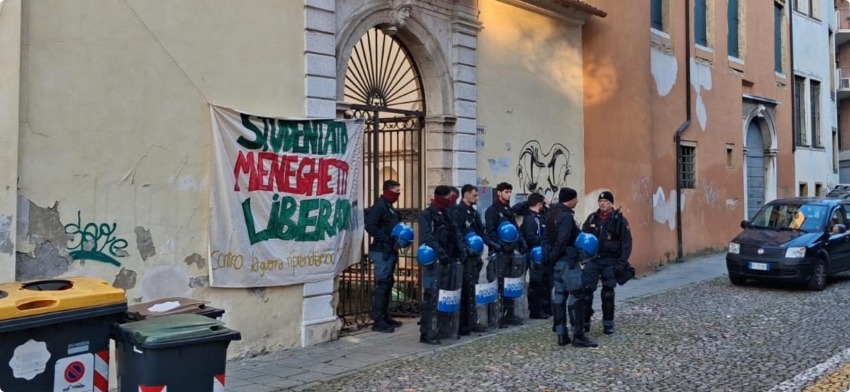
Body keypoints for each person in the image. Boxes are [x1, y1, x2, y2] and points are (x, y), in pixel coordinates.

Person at [548, 187, 597, 347]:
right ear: (570, 200)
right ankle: (578, 335)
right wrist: (557, 255)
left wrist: (548, 259)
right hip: (567, 262)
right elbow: (563, 240)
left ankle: (561, 335)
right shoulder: (567, 216)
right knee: (577, 295)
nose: (577, 201)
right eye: (575, 199)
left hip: (556, 263)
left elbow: (545, 238)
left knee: (559, 296)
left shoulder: (551, 214)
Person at [418, 185, 468, 344]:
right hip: (435, 261)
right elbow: (427, 237)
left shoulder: (447, 214)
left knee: (446, 296)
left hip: (450, 260)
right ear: (441, 197)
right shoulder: (427, 215)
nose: (450, 201)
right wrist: (441, 253)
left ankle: (443, 328)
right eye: (448, 198)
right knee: (431, 297)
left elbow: (456, 232)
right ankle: (427, 333)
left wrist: (462, 248)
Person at [449, 184, 499, 335]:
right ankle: (462, 324)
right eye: (475, 195)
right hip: (464, 257)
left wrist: (491, 244)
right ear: (466, 195)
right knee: (464, 290)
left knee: (472, 290)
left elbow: (481, 232)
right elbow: (456, 233)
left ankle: (472, 321)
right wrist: (465, 249)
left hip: (475, 257)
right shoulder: (457, 212)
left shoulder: (474, 213)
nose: (477, 198)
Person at [581, 191, 632, 335]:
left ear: (611, 203)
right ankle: (585, 323)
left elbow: (627, 243)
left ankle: (608, 323)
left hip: (610, 261)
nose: (602, 203)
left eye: (605, 201)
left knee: (608, 294)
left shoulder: (620, 220)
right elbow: (582, 237)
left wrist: (622, 263)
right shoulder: (592, 218)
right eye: (600, 201)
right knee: (585, 292)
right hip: (593, 260)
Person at [485, 182, 528, 327]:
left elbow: (515, 228)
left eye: (510, 192)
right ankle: (497, 316)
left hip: (511, 253)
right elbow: (490, 231)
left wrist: (521, 242)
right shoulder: (492, 210)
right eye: (506, 192)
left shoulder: (508, 209)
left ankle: (509, 314)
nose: (509, 195)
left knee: (509, 284)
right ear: (499, 193)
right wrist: (500, 245)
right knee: (498, 285)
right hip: (499, 253)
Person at [364, 180, 403, 333]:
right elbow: (370, 225)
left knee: (388, 282)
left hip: (389, 249)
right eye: (396, 191)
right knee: (382, 283)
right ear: (387, 190)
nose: (398, 194)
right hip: (381, 250)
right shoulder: (380, 205)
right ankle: (378, 320)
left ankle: (385, 316)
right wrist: (385, 239)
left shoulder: (389, 206)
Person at [520, 193, 552, 319]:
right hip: (534, 255)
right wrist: (544, 242)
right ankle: (536, 310)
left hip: (542, 254)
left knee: (545, 282)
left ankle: (546, 308)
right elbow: (531, 237)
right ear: (539, 204)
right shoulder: (529, 218)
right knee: (536, 283)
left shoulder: (542, 216)